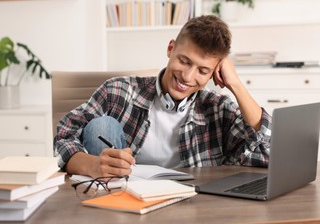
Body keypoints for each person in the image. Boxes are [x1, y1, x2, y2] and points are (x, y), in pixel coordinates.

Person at [54, 15, 272, 178]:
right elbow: (64, 136)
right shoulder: (118, 91)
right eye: (184, 61)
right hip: (122, 194)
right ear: (170, 49)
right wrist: (93, 165)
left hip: (193, 205)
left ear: (215, 71)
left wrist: (236, 85)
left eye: (203, 71)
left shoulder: (218, 108)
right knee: (101, 126)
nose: (187, 76)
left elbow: (269, 153)